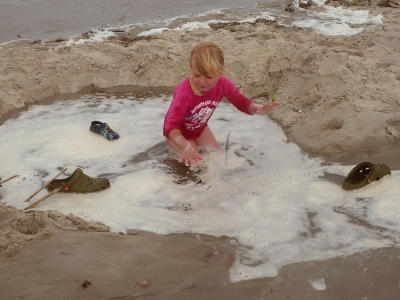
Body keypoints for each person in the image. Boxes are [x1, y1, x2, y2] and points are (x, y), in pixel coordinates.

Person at [163, 41, 280, 167]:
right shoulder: (184, 92)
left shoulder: (223, 85)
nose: (202, 82)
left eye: (208, 77)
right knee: (195, 160)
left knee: (216, 154)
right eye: (197, 75)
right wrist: (185, 146)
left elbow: (242, 102)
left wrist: (257, 108)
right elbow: (170, 126)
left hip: (199, 128)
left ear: (220, 73)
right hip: (177, 134)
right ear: (191, 69)